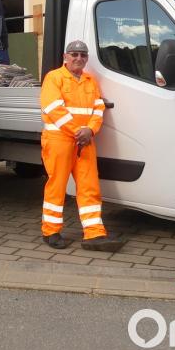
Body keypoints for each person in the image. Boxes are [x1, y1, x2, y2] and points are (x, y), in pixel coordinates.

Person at [39, 40, 124, 251]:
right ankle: (51, 231)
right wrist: (79, 131)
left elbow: (98, 108)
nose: (79, 58)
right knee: (56, 186)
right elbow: (53, 109)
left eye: (83, 55)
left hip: (85, 141)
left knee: (90, 187)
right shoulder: (54, 77)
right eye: (74, 54)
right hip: (60, 140)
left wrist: (91, 130)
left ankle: (94, 234)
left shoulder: (90, 80)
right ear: (65, 57)